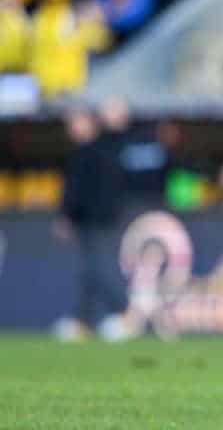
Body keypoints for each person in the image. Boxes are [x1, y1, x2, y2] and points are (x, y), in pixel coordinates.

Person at [54, 106, 133, 342]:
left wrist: (67, 215)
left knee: (96, 269)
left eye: (76, 121)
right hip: (93, 220)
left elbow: (78, 191)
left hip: (95, 220)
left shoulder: (96, 151)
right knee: (90, 271)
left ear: (90, 122)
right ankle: (83, 321)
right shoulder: (90, 150)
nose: (71, 127)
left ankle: (124, 313)